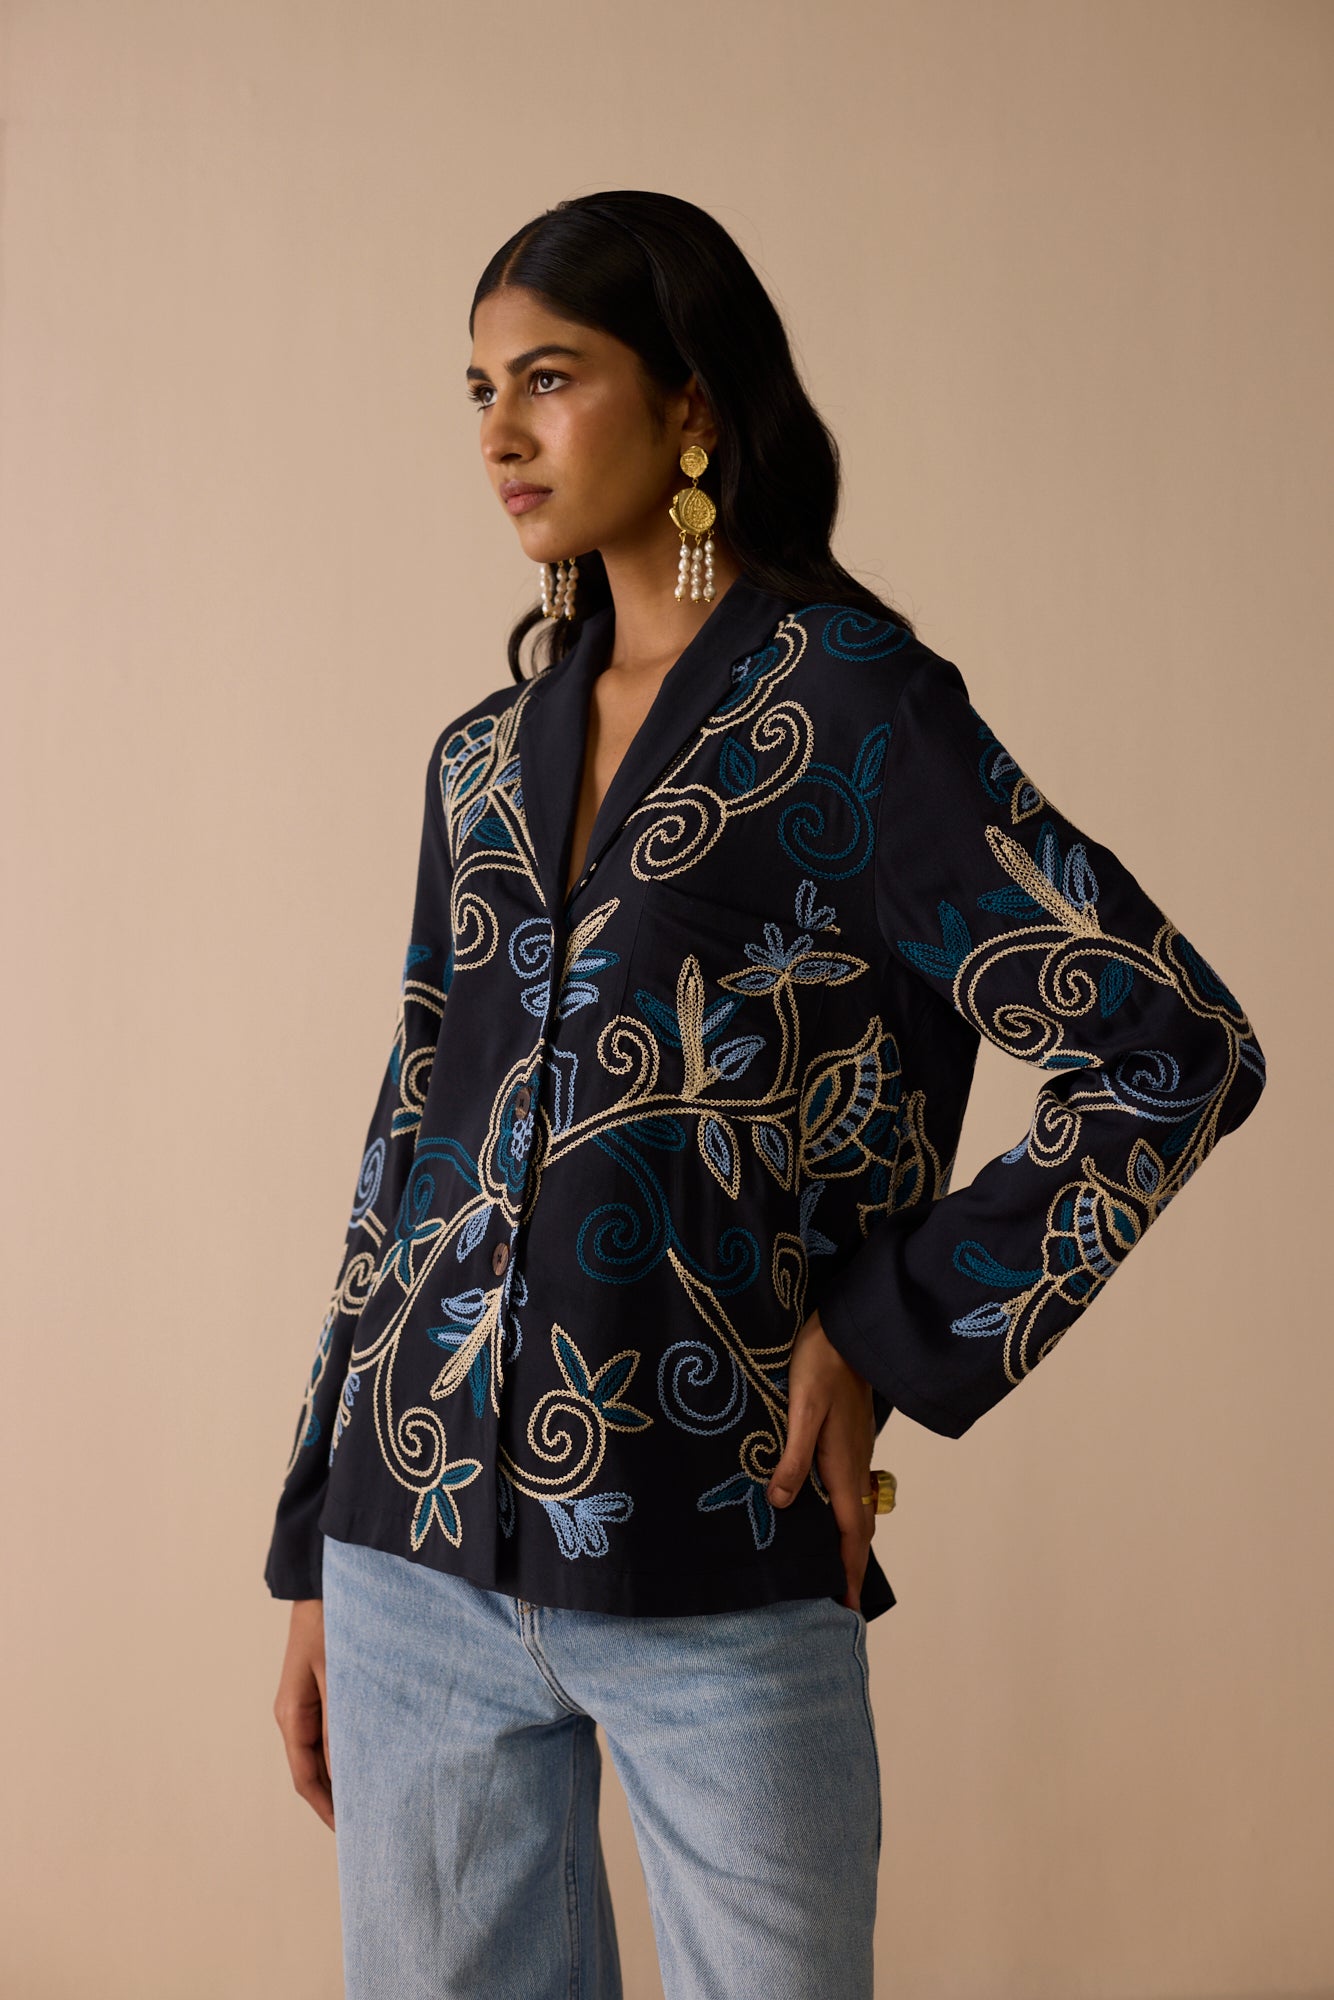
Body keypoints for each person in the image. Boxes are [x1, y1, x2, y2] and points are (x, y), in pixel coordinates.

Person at [266, 190, 1267, 2000]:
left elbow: (1169, 1048)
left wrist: (884, 1330)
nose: (498, 433)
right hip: (409, 1538)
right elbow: (413, 1130)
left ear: (690, 404)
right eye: (480, 388)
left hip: (715, 1538)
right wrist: (310, 1543)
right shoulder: (481, 759)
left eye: (549, 378)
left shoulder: (848, 708)